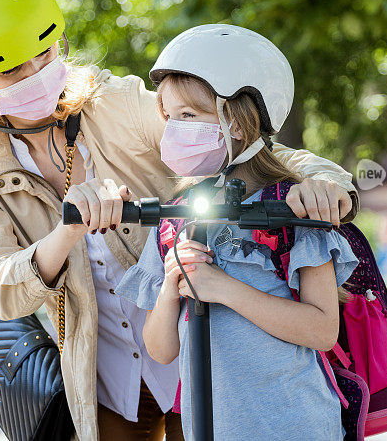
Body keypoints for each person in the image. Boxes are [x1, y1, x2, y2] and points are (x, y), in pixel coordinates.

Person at [0, 0, 360, 441]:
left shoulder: (115, 103)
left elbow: (237, 141)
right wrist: (69, 229)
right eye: (10, 72)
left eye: (44, 55)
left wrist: (326, 185)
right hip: (107, 378)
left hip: (204, 347)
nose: (36, 74)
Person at [114, 24, 360, 440]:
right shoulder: (176, 220)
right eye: (170, 118)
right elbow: (160, 349)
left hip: (296, 427)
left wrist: (222, 287)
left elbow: (321, 330)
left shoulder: (291, 209)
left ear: (239, 124)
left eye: (189, 117)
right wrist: (171, 286)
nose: (174, 131)